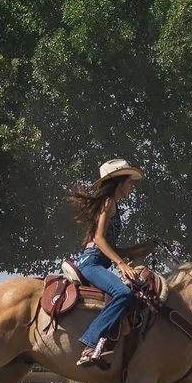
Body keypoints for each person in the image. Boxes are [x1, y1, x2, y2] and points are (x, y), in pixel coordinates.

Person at [65, 158, 147, 368]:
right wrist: (121, 263)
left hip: (98, 261)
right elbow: (100, 240)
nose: (132, 186)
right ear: (119, 183)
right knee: (123, 293)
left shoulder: (113, 205)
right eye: (129, 181)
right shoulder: (108, 202)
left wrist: (139, 249)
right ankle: (90, 344)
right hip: (91, 263)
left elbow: (109, 245)